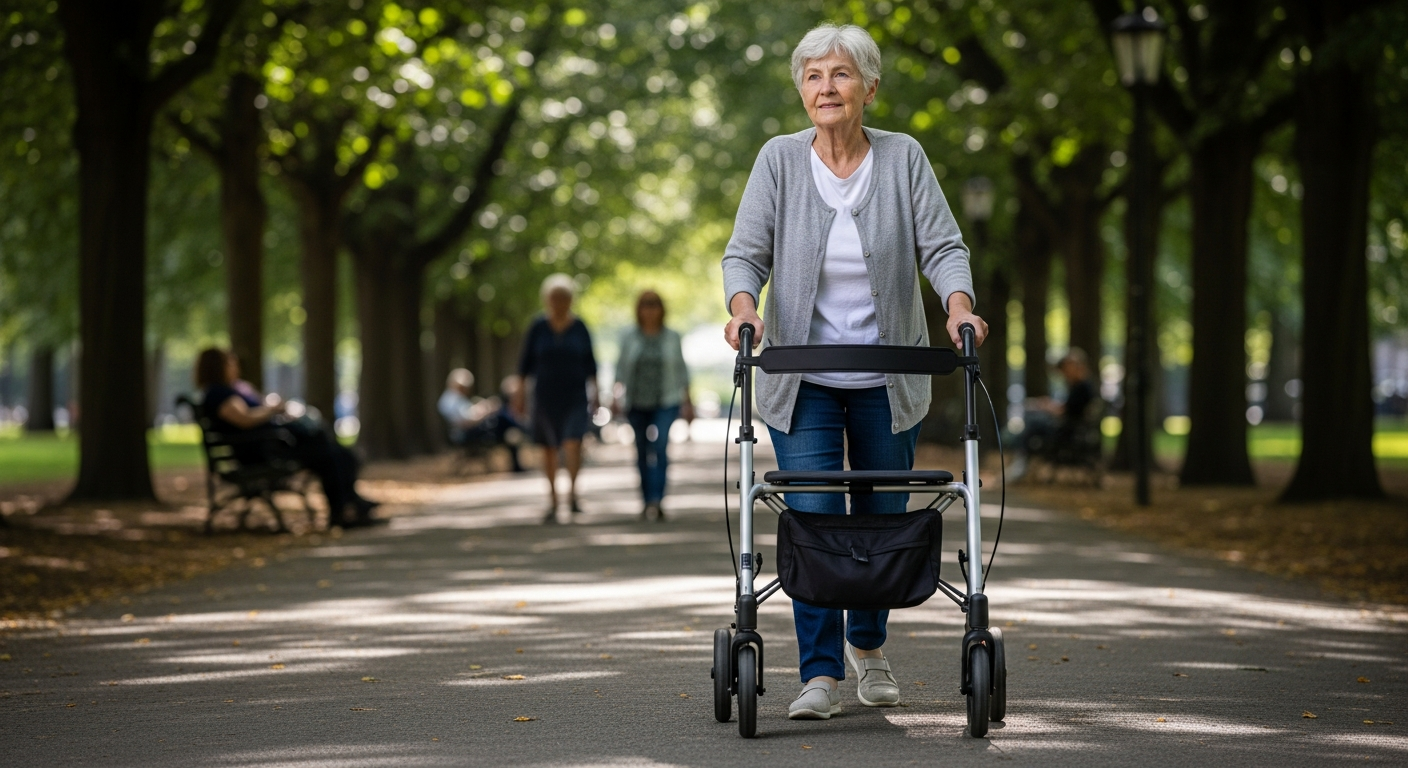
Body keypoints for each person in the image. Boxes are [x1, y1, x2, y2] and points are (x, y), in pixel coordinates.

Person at [721, 23, 986, 721]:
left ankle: (868, 645)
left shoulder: (903, 158)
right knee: (811, 521)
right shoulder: (778, 160)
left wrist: (959, 306)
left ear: (869, 87)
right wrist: (744, 309)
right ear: (801, 90)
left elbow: (943, 246)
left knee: (878, 521)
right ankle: (819, 674)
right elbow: (743, 255)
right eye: (812, 76)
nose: (825, 88)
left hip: (888, 375)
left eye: (839, 74)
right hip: (801, 379)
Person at [194, 348, 383, 528]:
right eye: (230, 363)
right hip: (264, 451)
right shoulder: (218, 394)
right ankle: (343, 510)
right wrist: (271, 410)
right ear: (218, 367)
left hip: (271, 445)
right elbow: (245, 419)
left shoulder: (230, 390)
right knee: (328, 453)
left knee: (338, 453)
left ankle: (348, 505)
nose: (236, 367)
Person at [513, 274, 599, 523]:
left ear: (570, 300)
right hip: (544, 396)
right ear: (547, 300)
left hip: (574, 395)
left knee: (573, 443)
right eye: (554, 297)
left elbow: (591, 364)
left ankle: (572, 494)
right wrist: (519, 395)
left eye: (564, 297)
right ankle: (552, 499)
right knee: (548, 447)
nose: (559, 302)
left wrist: (596, 395)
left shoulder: (580, 327)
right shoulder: (537, 327)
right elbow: (524, 365)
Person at [613, 291, 694, 522]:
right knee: (640, 450)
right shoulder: (629, 336)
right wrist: (615, 397)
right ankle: (645, 499)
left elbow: (681, 369)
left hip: (666, 401)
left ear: (661, 309)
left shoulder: (672, 337)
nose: (650, 310)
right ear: (638, 310)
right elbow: (620, 368)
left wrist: (688, 401)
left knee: (659, 447)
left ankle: (658, 500)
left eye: (654, 305)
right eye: (645, 306)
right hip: (636, 402)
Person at [437, 368, 525, 472]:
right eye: (464, 387)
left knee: (506, 426)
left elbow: (467, 413)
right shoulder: (451, 400)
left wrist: (481, 407)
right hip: (467, 433)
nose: (466, 389)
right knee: (502, 418)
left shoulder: (455, 398)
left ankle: (520, 429)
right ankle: (523, 428)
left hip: (470, 430)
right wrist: (484, 412)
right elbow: (465, 421)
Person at [1016, 348, 1097, 459]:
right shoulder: (1080, 385)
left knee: (1032, 421)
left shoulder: (1082, 387)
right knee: (1032, 419)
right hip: (1069, 427)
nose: (1065, 372)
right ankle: (1023, 458)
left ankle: (1023, 459)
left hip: (1068, 429)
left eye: (1068, 367)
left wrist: (1046, 406)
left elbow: (1066, 412)